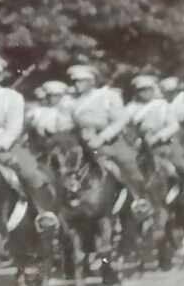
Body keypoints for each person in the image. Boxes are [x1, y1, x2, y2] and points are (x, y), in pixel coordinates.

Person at [0, 55, 60, 228]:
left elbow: (14, 127)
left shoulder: (12, 97)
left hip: (4, 147)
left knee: (29, 171)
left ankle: (42, 212)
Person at [65, 65, 153, 212]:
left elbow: (121, 120)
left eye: (80, 81)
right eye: (74, 81)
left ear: (91, 81)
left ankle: (140, 201)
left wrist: (102, 137)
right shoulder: (73, 102)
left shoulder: (108, 96)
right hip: (84, 145)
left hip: (110, 144)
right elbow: (69, 124)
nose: (76, 84)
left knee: (129, 168)